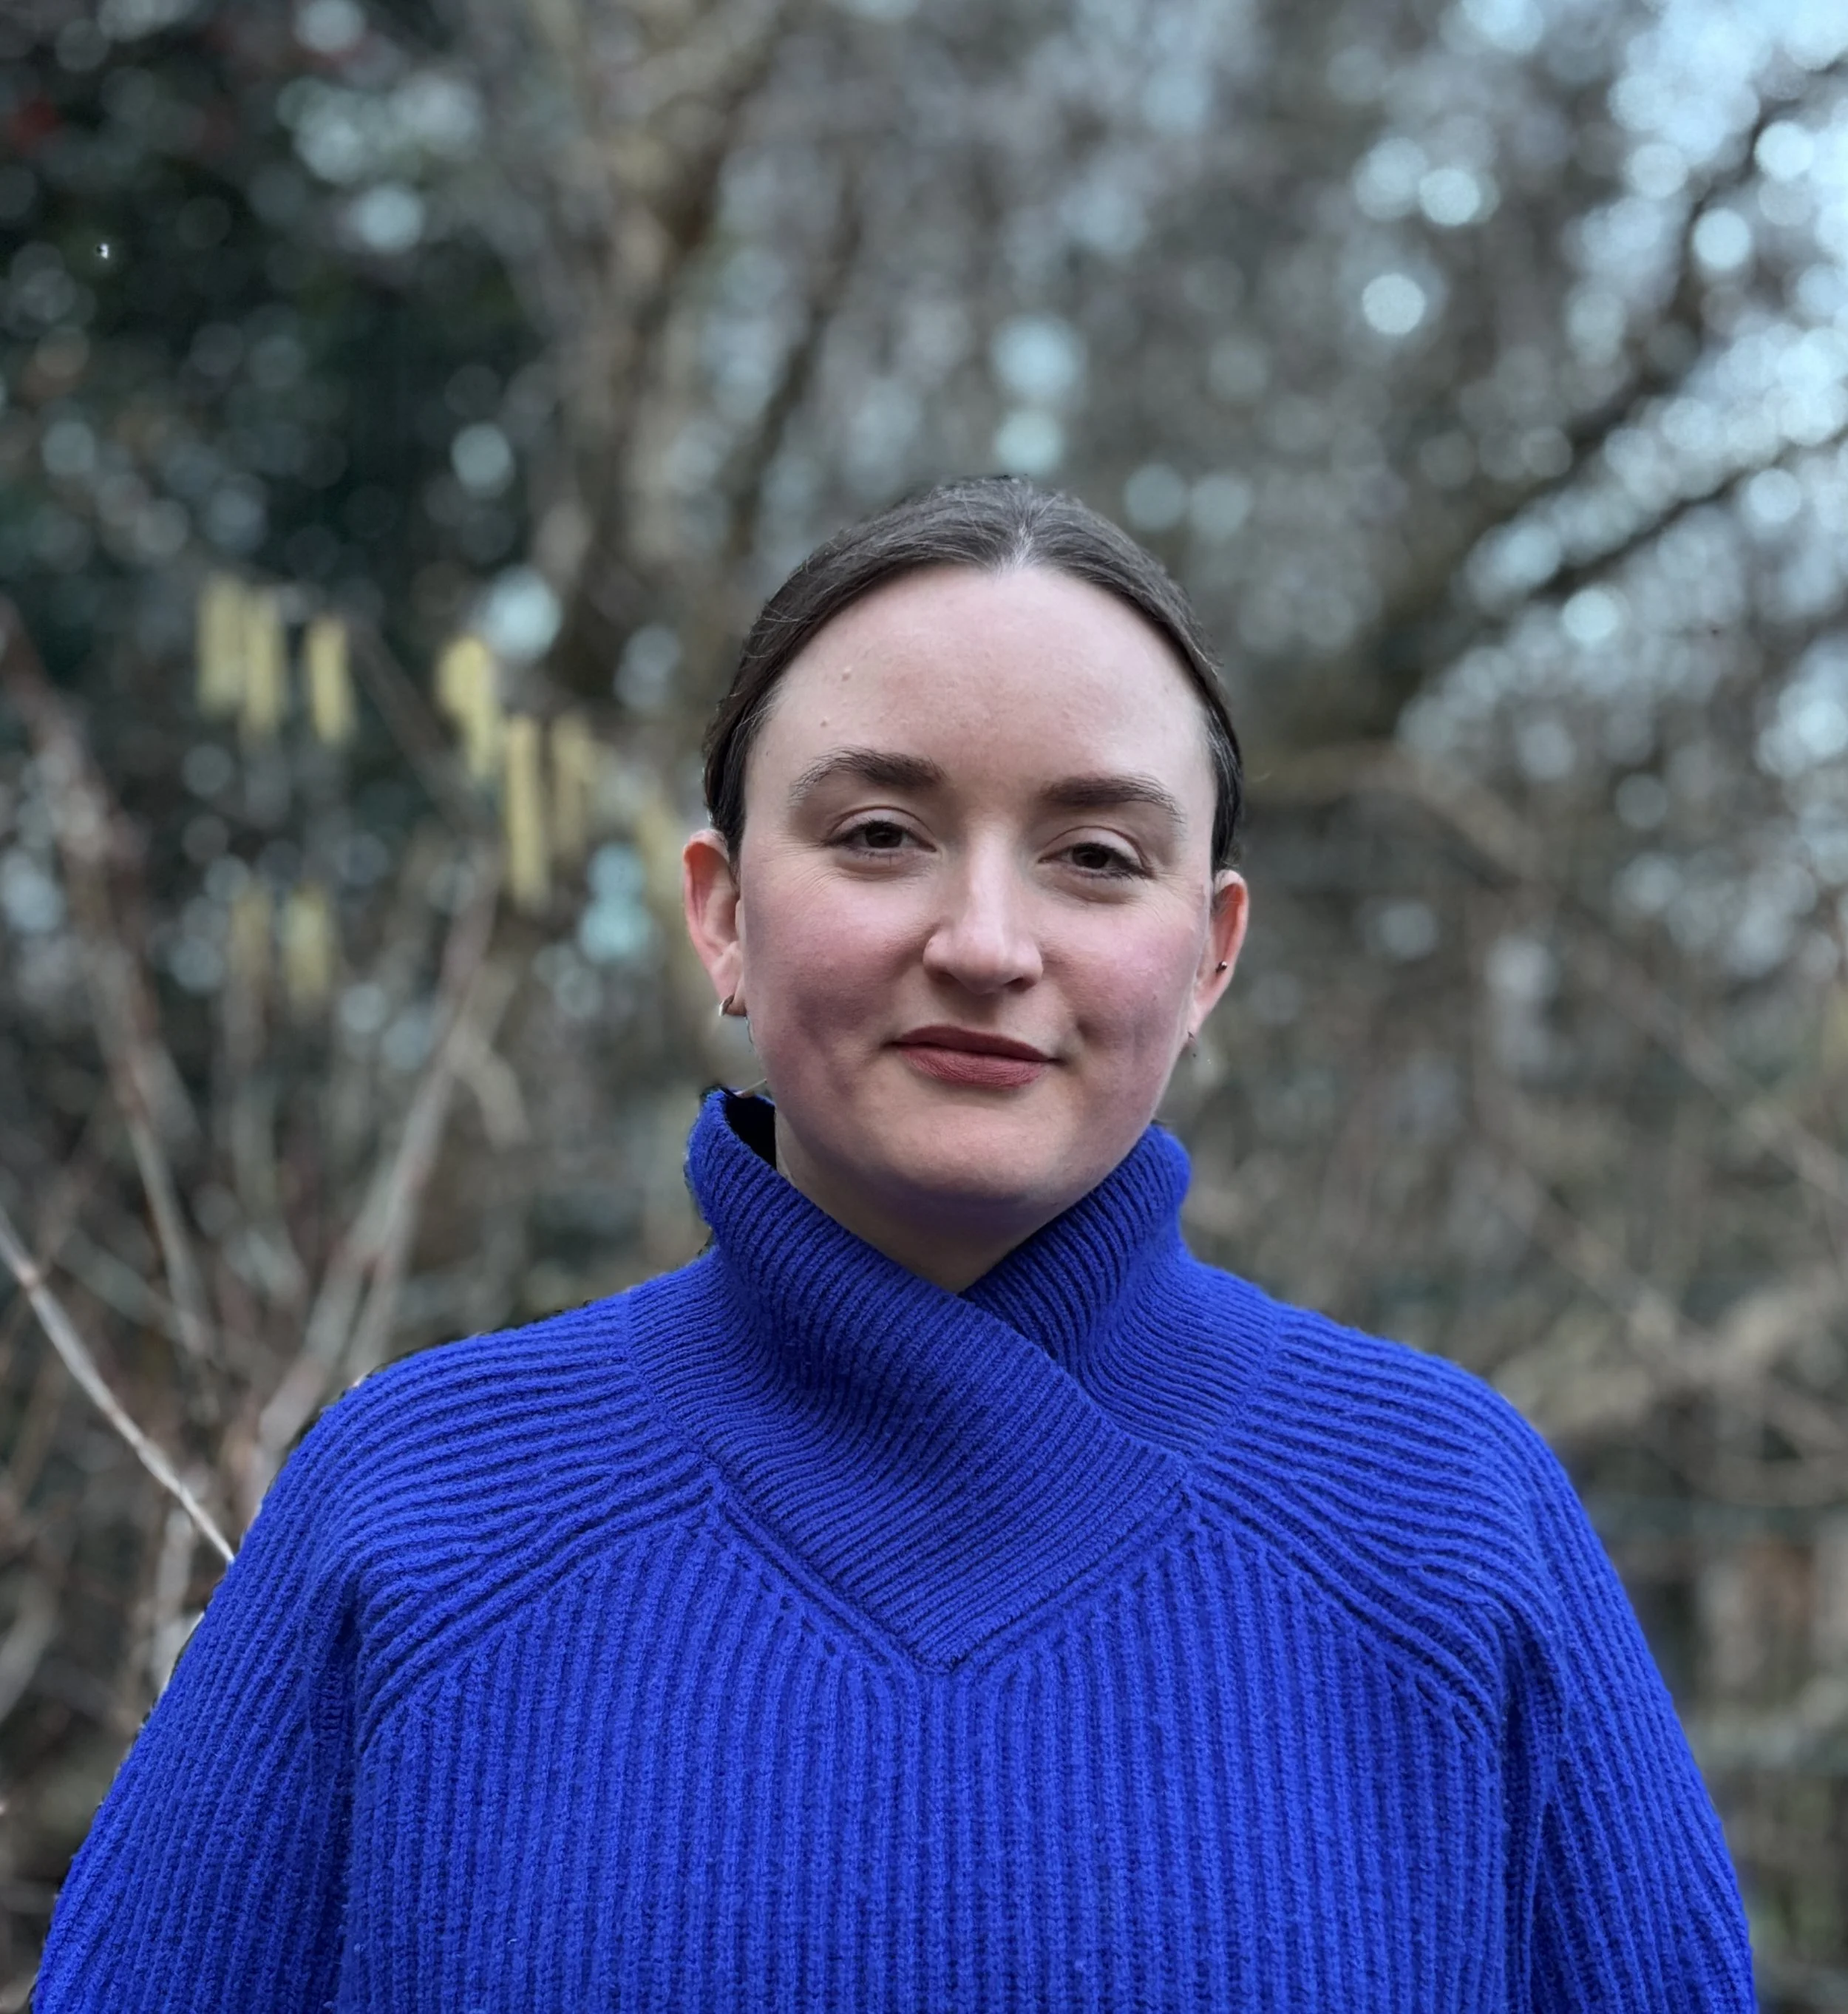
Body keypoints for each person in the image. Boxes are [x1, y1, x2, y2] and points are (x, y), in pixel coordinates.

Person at [38, 478, 1752, 2010]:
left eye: (1096, 855)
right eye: (877, 834)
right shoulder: (416, 1510)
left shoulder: (1446, 1523)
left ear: (1209, 953)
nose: (985, 940)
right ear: (718, 910)